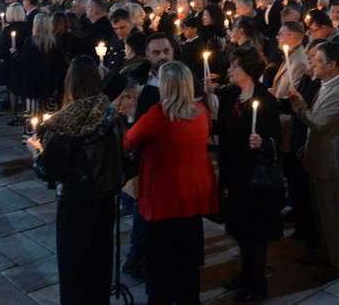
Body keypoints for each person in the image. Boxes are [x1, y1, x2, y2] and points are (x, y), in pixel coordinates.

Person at [124, 60, 218, 304]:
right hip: (193, 192)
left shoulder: (159, 115)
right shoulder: (200, 111)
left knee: (161, 259)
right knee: (187, 256)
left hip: (165, 193)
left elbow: (129, 140)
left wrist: (129, 115)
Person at [33, 55, 124, 305]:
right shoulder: (111, 113)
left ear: (70, 83)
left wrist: (37, 152)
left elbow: (49, 171)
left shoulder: (64, 124)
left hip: (75, 202)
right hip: (105, 200)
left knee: (74, 268)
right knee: (99, 263)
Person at [214, 45, 281, 302]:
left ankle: (257, 281)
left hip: (255, 177)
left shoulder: (266, 100)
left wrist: (262, 143)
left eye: (234, 66)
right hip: (233, 173)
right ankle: (245, 274)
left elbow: (275, 140)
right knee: (239, 228)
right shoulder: (229, 94)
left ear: (248, 70)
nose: (228, 70)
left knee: (255, 231)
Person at [288, 41, 339, 281]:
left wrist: (299, 105)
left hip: (328, 161)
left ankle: (338, 262)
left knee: (330, 216)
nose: (312, 63)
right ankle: (325, 253)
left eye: (317, 60)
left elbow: (318, 123)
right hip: (317, 156)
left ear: (333, 64)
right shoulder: (327, 83)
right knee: (320, 212)